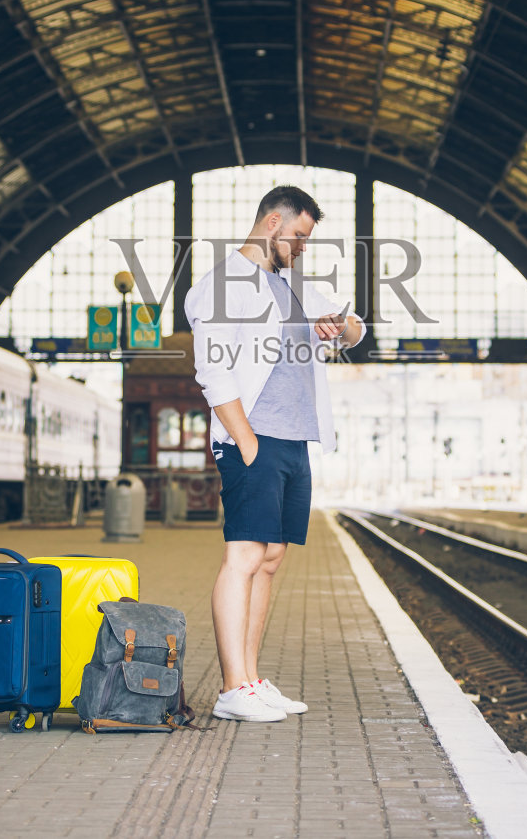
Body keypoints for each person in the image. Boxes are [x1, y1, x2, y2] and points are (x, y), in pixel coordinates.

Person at [183, 185, 364, 722]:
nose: (303, 247)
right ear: (273, 223)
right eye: (300, 236)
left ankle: (251, 679)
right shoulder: (221, 285)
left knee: (270, 559)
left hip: (293, 439)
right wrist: (246, 441)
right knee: (243, 556)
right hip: (255, 437)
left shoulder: (295, 286)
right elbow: (212, 372)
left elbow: (355, 332)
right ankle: (231, 689)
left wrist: (341, 326)